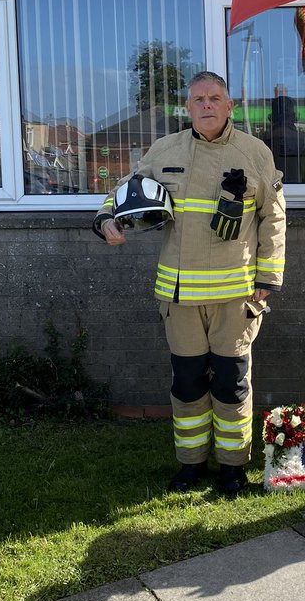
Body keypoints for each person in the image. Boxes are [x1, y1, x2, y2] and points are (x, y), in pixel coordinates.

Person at [94, 71, 286, 497]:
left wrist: (268, 277)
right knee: (187, 385)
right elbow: (125, 191)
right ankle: (191, 464)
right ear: (187, 107)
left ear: (229, 105)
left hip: (235, 296)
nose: (206, 106)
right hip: (179, 297)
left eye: (214, 98)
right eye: (198, 99)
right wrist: (107, 219)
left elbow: (274, 218)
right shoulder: (165, 150)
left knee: (231, 384)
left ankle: (234, 467)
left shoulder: (255, 153)